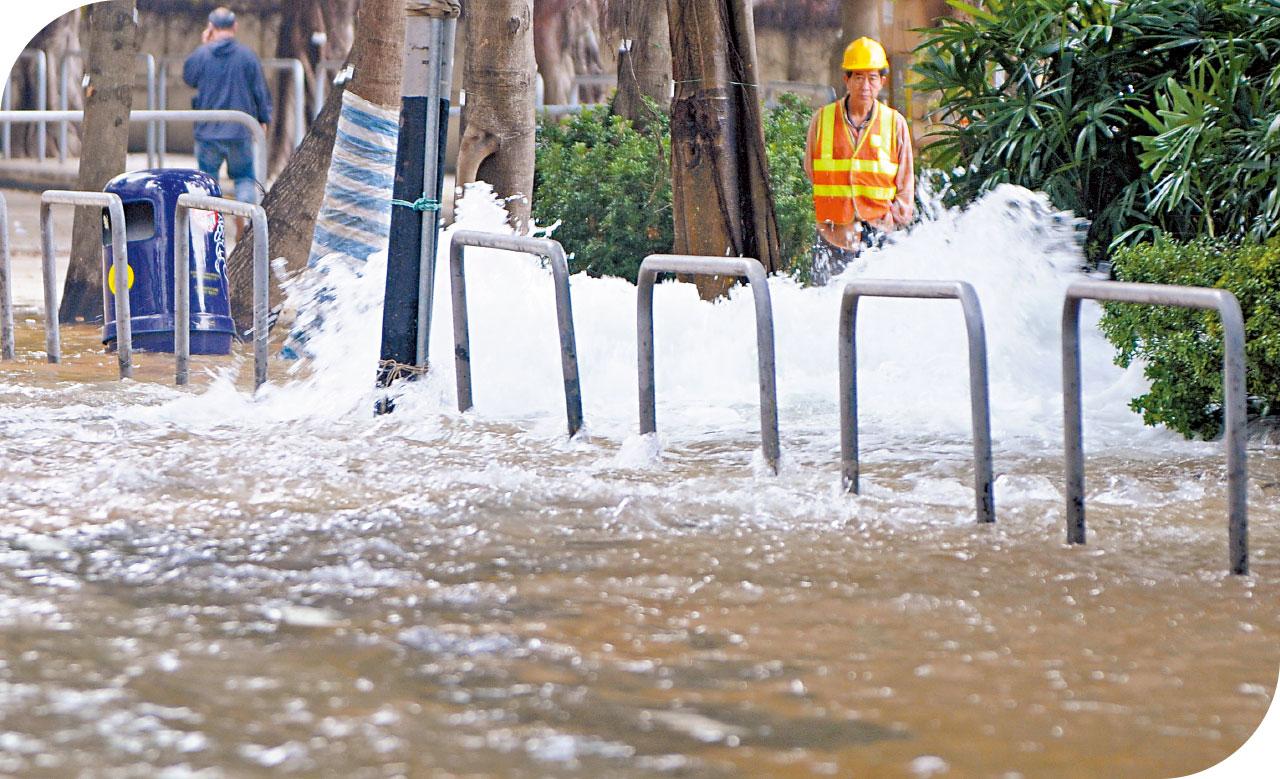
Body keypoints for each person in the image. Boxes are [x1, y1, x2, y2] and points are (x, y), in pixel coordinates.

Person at [803, 36, 915, 281]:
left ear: (882, 82)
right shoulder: (821, 120)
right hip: (833, 234)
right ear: (847, 79)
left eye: (872, 78)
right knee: (828, 304)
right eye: (859, 77)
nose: (866, 85)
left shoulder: (894, 123)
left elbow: (906, 182)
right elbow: (811, 170)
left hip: (880, 233)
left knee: (879, 307)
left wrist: (893, 222)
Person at [182, 7, 272, 204]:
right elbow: (260, 91)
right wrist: (263, 119)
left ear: (211, 28)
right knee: (244, 179)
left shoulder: (202, 55)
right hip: (240, 131)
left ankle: (210, 228)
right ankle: (247, 226)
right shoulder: (248, 56)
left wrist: (204, 45)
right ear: (235, 27)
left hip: (207, 132)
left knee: (206, 183)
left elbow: (189, 78)